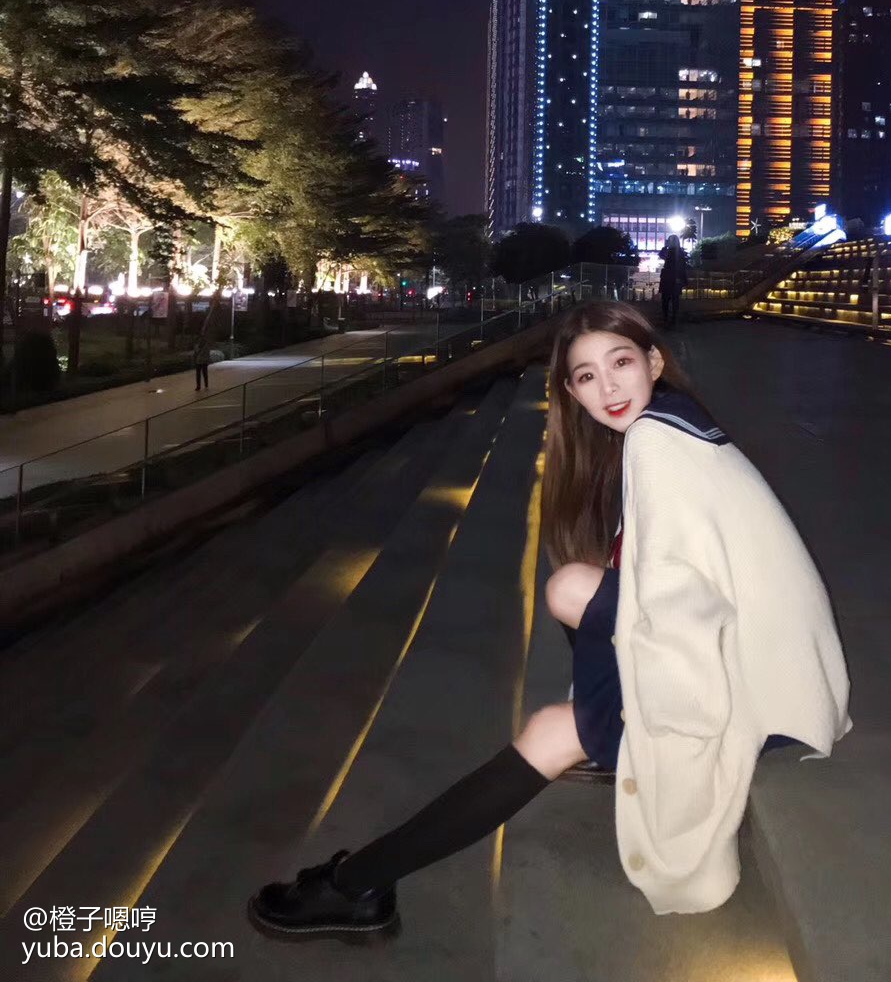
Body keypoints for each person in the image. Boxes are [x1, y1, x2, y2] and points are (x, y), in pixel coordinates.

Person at [247, 300, 851, 943]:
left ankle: (355, 888)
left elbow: (684, 610)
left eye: (621, 363)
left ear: (653, 361)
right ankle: (364, 879)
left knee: (551, 729)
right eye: (587, 376)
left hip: (758, 691)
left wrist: (645, 728)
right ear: (570, 390)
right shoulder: (671, 420)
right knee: (571, 590)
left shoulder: (656, 444)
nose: (608, 387)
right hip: (773, 663)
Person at [658, 234, 688, 327]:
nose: (670, 242)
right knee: (666, 299)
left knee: (673, 300)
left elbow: (681, 266)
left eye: (671, 240)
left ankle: (672, 319)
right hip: (668, 278)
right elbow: (661, 255)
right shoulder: (671, 251)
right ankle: (668, 319)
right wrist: (665, 246)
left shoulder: (678, 252)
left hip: (673, 279)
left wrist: (679, 278)